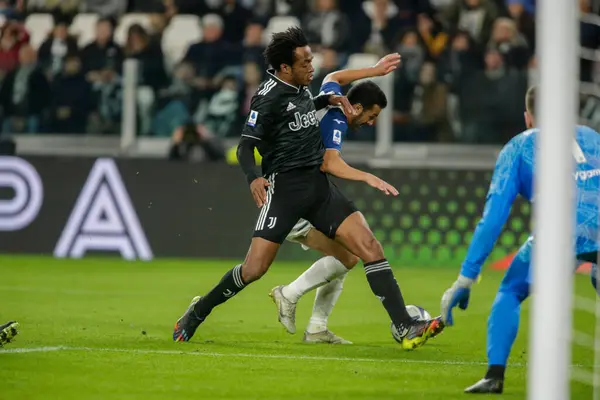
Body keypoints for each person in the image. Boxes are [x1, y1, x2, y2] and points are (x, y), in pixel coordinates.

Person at [173, 27, 443, 350]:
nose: (311, 66)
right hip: (284, 192)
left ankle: (404, 326)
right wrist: (252, 177)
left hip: (317, 188)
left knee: (368, 246)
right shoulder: (267, 96)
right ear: (285, 67)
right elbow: (246, 147)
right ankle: (198, 311)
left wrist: (324, 98)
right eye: (304, 62)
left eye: (311, 59)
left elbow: (303, 107)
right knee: (254, 269)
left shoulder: (302, 86)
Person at [271, 53, 443, 345]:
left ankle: (315, 326)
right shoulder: (336, 120)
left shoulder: (333, 96)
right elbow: (331, 163)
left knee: (352, 254)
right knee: (354, 252)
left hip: (307, 191)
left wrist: (374, 71)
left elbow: (334, 77)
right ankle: (290, 295)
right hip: (294, 199)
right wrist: (369, 177)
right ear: (358, 108)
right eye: (371, 116)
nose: (371, 123)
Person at [440, 86, 600, 394]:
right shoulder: (592, 137)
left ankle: (494, 375)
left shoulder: (519, 146)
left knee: (511, 290)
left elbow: (493, 218)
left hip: (559, 236)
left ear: (528, 117)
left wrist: (466, 277)